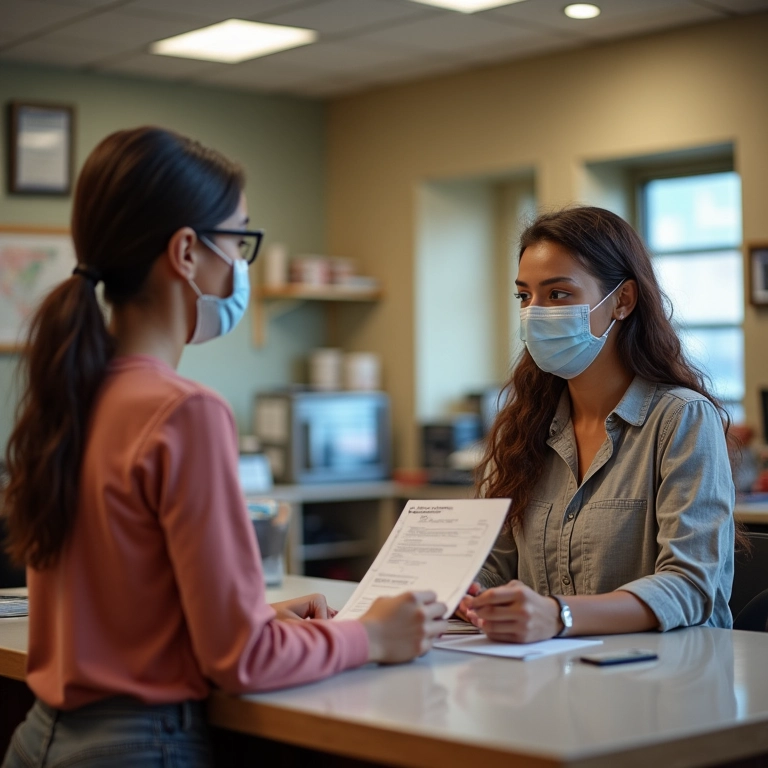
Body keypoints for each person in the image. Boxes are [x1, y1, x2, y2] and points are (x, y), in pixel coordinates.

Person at [1, 127, 447, 767]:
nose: (240, 264)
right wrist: (371, 635)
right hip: (137, 747)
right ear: (186, 252)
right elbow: (242, 661)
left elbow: (124, 610)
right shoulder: (184, 411)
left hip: (40, 739)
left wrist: (256, 617)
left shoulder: (71, 393)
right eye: (239, 240)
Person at [459, 206, 735, 643]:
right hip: (547, 678)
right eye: (524, 296)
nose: (534, 313)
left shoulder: (681, 419)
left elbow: (690, 586)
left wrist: (557, 615)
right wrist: (454, 591)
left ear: (622, 301)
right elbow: (495, 567)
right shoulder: (524, 427)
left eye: (558, 294)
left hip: (666, 685)